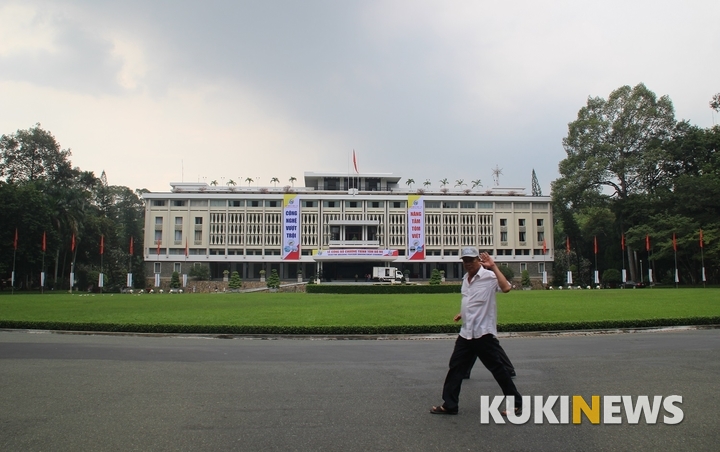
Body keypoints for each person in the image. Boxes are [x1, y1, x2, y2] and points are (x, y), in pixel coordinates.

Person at [431, 247, 522, 415]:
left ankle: (515, 404)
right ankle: (450, 405)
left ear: (478, 261)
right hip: (466, 332)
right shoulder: (466, 278)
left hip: (483, 333)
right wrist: (462, 314)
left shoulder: (489, 277)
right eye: (465, 261)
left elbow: (507, 288)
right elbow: (470, 301)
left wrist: (493, 266)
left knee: (498, 369)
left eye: (471, 260)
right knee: (455, 367)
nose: (467, 264)